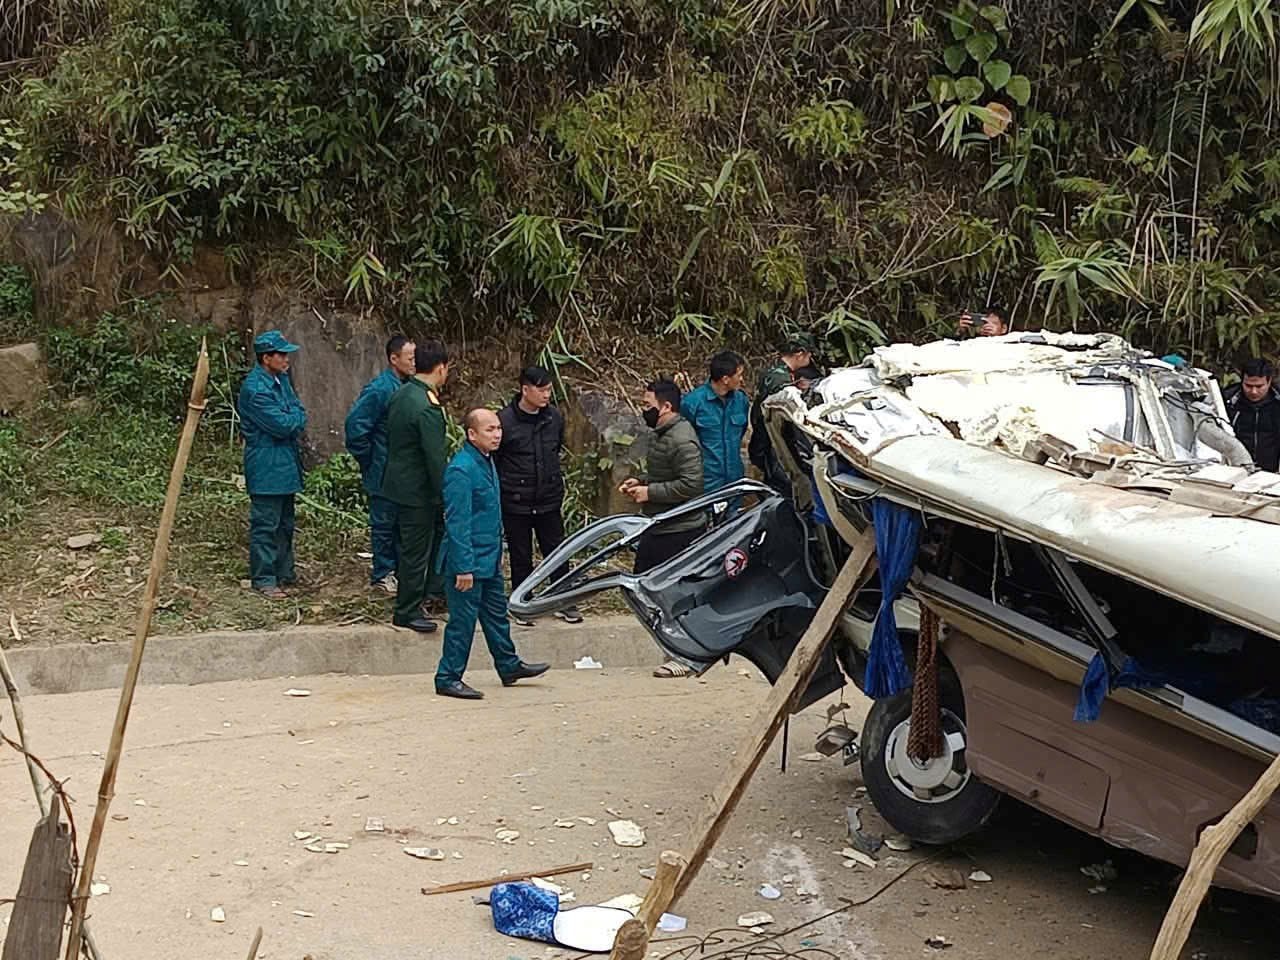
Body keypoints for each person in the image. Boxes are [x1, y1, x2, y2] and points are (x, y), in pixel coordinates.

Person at [435, 408, 550, 700]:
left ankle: (508, 665)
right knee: (462, 623)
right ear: (472, 434)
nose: (497, 434)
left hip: (488, 558)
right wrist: (463, 567)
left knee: (496, 615)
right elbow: (458, 523)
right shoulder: (461, 470)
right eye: (490, 430)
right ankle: (448, 677)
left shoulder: (486, 461)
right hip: (468, 563)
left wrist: (498, 553)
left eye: (498, 428)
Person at [621, 378, 704, 679]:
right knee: (645, 587)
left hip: (680, 529)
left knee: (671, 593)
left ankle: (683, 655)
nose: (644, 410)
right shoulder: (662, 434)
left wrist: (650, 492)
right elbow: (666, 473)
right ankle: (674, 649)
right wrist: (642, 482)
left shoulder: (682, 439)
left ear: (666, 406)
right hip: (661, 524)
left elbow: (692, 485)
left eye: (647, 405)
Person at [494, 365, 582, 626]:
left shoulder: (554, 417)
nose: (546, 395)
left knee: (557, 551)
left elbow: (556, 449)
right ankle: (523, 603)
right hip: (516, 500)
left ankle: (562, 599)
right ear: (525, 390)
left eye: (549, 390)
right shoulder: (505, 421)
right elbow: (497, 459)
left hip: (548, 497)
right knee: (520, 554)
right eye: (541, 390)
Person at [381, 340, 450, 633]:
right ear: (441, 368)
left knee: (415, 547)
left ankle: (429, 595)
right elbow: (435, 458)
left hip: (399, 484)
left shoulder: (403, 393)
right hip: (419, 492)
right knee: (416, 552)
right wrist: (446, 494)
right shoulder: (426, 406)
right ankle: (407, 610)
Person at [238, 330, 307, 600]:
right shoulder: (256, 389)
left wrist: (294, 416)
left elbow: (298, 410)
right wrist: (294, 417)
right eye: (282, 354)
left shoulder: (281, 380)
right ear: (266, 358)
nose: (287, 359)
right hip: (267, 465)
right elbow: (284, 425)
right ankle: (264, 578)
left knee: (285, 523)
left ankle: (284, 572)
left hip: (285, 462)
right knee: (266, 524)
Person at [344, 335, 416, 594]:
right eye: (410, 358)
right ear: (394, 359)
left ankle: (398, 571)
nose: (415, 363)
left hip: (402, 472)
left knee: (400, 525)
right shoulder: (380, 389)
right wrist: (370, 459)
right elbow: (356, 427)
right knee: (384, 525)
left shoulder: (408, 386)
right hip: (383, 469)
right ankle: (383, 574)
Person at [750, 333, 818, 493]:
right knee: (783, 490)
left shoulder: (774, 370)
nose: (810, 359)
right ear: (799, 354)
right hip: (773, 446)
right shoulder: (781, 383)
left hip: (763, 442)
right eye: (809, 355)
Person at [680, 350, 749, 495]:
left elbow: (741, 432)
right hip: (706, 480)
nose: (742, 379)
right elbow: (683, 441)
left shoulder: (741, 401)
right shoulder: (692, 403)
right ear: (725, 379)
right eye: (739, 375)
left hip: (734, 479)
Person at [1224, 358, 1280, 473]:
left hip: (1272, 472)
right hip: (1234, 470)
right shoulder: (1228, 401)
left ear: (1269, 382)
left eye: (1259, 386)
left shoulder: (1277, 402)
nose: (1254, 391)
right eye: (1248, 386)